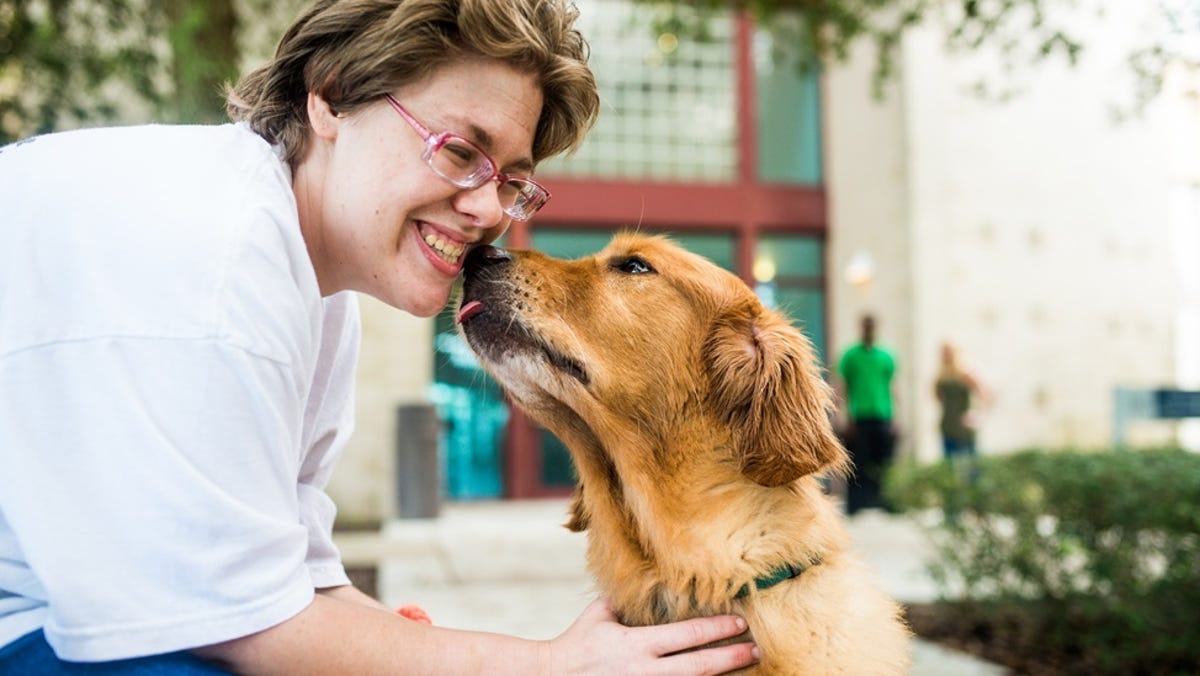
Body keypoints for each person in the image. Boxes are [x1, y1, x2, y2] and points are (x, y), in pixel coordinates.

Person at [0, 1, 759, 673]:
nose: (491, 210)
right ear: (331, 97)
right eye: (462, 151)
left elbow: (300, 579)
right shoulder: (221, 263)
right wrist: (551, 667)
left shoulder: (310, 289)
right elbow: (253, 630)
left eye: (510, 180)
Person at [836, 314, 898, 515]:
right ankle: (855, 505)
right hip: (859, 418)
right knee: (858, 463)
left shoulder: (886, 356)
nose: (868, 329)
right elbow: (842, 386)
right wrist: (842, 415)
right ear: (861, 327)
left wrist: (896, 417)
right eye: (866, 325)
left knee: (885, 463)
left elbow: (892, 387)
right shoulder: (850, 355)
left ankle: (887, 502)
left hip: (882, 416)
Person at [933, 341, 987, 459]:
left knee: (969, 467)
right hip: (948, 427)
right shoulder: (941, 376)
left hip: (964, 429)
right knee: (949, 466)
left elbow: (984, 394)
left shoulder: (965, 373)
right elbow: (937, 397)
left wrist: (977, 413)